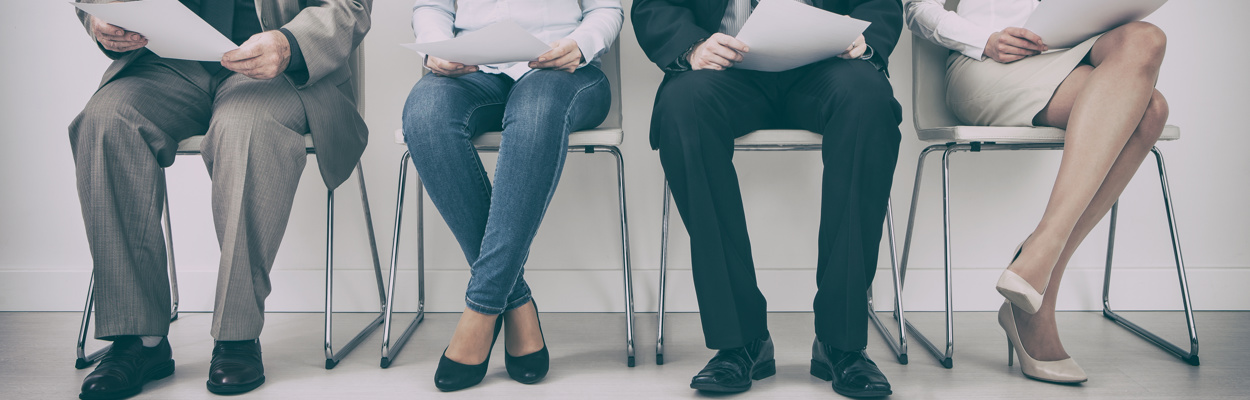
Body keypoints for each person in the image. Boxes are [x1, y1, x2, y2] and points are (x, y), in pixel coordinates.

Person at [70, 0, 370, 398]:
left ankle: (237, 335)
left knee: (244, 126)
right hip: (165, 64)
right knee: (106, 120)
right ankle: (138, 338)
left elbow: (349, 6)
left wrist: (290, 43)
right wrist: (97, 19)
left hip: (275, 67)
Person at [633, 0, 903, 397]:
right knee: (682, 105)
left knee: (869, 100)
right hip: (725, 68)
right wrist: (692, 48)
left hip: (827, 67)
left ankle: (841, 342)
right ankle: (740, 341)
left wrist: (863, 39)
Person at [905, 0, 1170, 384]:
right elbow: (916, 9)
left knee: (1148, 39)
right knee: (1150, 111)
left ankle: (1037, 262)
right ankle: (1039, 286)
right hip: (987, 64)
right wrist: (986, 40)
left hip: (1066, 53)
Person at [402, 0, 622, 392]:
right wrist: (436, 46)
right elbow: (430, 7)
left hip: (564, 70)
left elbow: (606, 8)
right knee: (425, 114)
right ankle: (515, 300)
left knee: (536, 113)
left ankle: (481, 309)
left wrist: (580, 43)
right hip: (473, 70)